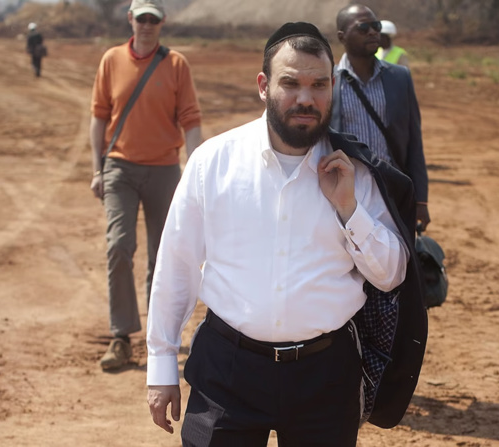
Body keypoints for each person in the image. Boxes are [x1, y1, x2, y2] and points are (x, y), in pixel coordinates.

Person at [146, 21, 422, 446]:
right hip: (227, 373)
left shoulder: (358, 173)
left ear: (332, 87)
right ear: (264, 86)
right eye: (290, 83)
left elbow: (391, 276)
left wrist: (349, 210)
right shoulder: (213, 162)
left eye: (318, 85)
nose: (305, 99)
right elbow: (176, 265)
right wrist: (161, 365)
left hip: (325, 375)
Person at [89, 0, 202, 371]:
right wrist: (97, 170)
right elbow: (99, 117)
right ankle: (121, 336)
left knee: (162, 255)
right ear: (131, 20)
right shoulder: (111, 60)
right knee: (119, 245)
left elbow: (191, 121)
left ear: (162, 22)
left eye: (153, 19)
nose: (147, 24)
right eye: (142, 19)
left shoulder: (176, 64)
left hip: (164, 170)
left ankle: (159, 337)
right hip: (119, 167)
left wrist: (195, 174)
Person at [331, 4, 431, 231]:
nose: (373, 32)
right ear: (342, 36)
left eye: (376, 26)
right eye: (363, 27)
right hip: (347, 195)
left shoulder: (400, 78)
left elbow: (414, 141)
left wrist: (421, 200)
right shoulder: (329, 82)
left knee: (395, 252)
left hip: (393, 193)